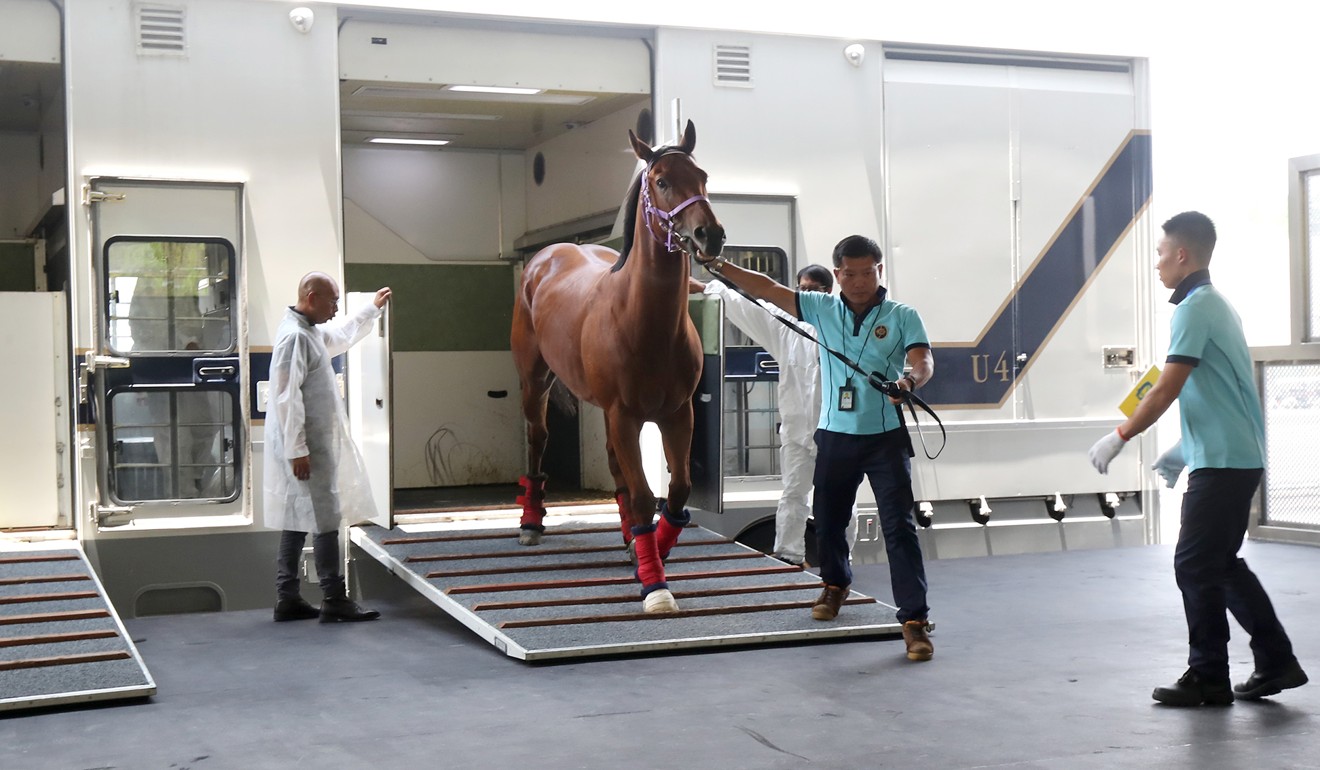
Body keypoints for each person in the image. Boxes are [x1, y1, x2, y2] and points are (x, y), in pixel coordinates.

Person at [1089, 211, 1307, 706]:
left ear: (1182, 255)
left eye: (1161, 254)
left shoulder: (1193, 308)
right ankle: (1277, 661)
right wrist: (1184, 448)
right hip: (1232, 455)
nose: (1157, 265)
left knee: (1193, 565)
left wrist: (1121, 434)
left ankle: (1208, 674)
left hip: (1225, 463)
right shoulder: (1215, 305)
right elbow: (1217, 393)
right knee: (1220, 565)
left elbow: (1168, 385)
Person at [695, 235, 936, 662]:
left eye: (867, 272)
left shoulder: (902, 316)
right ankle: (835, 584)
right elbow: (766, 289)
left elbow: (923, 360)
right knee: (827, 520)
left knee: (899, 528)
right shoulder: (821, 308)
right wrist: (718, 264)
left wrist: (910, 381)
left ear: (880, 271)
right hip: (835, 435)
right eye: (849, 274)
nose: (859, 281)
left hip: (884, 438)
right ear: (838, 274)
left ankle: (914, 621)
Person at [691, 265, 859, 567]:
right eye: (802, 288)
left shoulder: (844, 325)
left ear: (828, 292)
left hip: (838, 433)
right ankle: (788, 557)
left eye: (815, 290)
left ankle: (841, 560)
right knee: (793, 494)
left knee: (840, 499)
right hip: (797, 431)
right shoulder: (785, 327)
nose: (807, 294)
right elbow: (745, 306)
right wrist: (706, 288)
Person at [265, 272, 392, 623]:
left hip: (306, 446)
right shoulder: (295, 337)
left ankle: (286, 597)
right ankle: (334, 597)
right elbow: (286, 399)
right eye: (332, 301)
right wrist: (298, 450)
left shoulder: (308, 332)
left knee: (295, 517)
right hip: (306, 449)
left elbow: (338, 336)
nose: (336, 308)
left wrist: (369, 309)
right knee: (325, 517)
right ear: (311, 296)